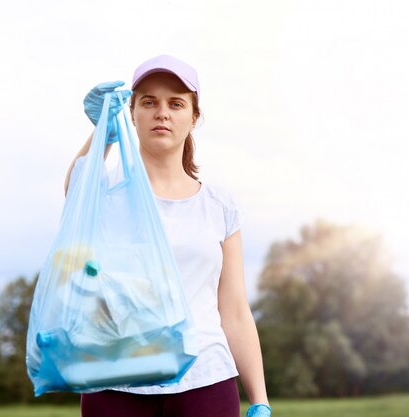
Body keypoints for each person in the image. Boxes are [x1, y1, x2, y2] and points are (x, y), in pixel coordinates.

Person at [65, 55, 271, 417]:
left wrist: (260, 399)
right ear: (131, 114)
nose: (162, 113)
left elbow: (235, 310)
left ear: (193, 118)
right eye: (149, 102)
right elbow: (75, 192)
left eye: (176, 103)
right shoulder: (106, 194)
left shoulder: (219, 205)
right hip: (115, 381)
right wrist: (101, 133)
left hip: (205, 380)